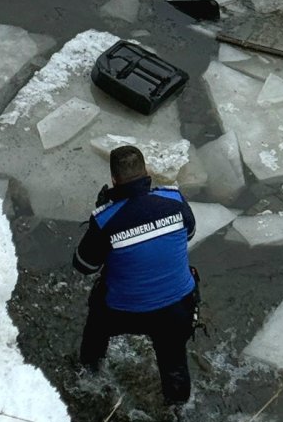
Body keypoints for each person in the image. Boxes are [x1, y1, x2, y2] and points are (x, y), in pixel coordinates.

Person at [73, 145, 200, 405]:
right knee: (174, 362)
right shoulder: (175, 200)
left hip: (123, 312)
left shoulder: (105, 219)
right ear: (147, 173)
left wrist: (104, 223)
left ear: (114, 180)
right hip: (177, 309)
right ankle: (178, 411)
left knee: (96, 329)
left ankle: (89, 377)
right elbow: (188, 234)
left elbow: (84, 266)